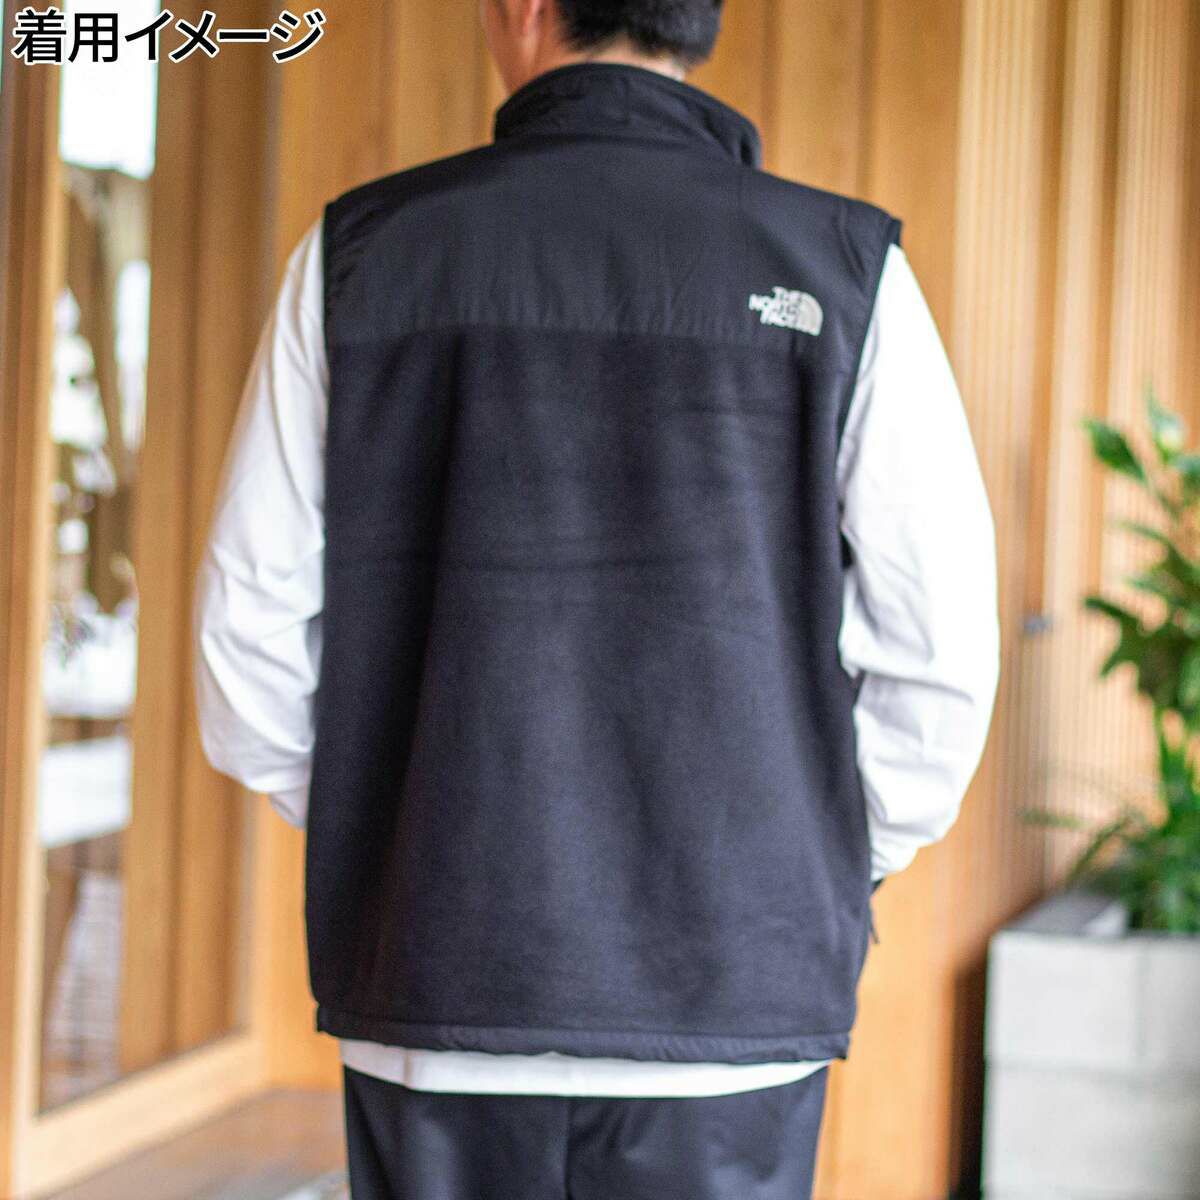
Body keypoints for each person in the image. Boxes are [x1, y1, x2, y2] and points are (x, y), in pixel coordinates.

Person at [193, 0, 1001, 1196]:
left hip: (437, 980)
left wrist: (401, 830)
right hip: (732, 1000)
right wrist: (802, 859)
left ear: (522, 10)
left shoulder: (361, 253)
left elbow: (246, 633)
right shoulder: (844, 270)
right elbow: (941, 656)